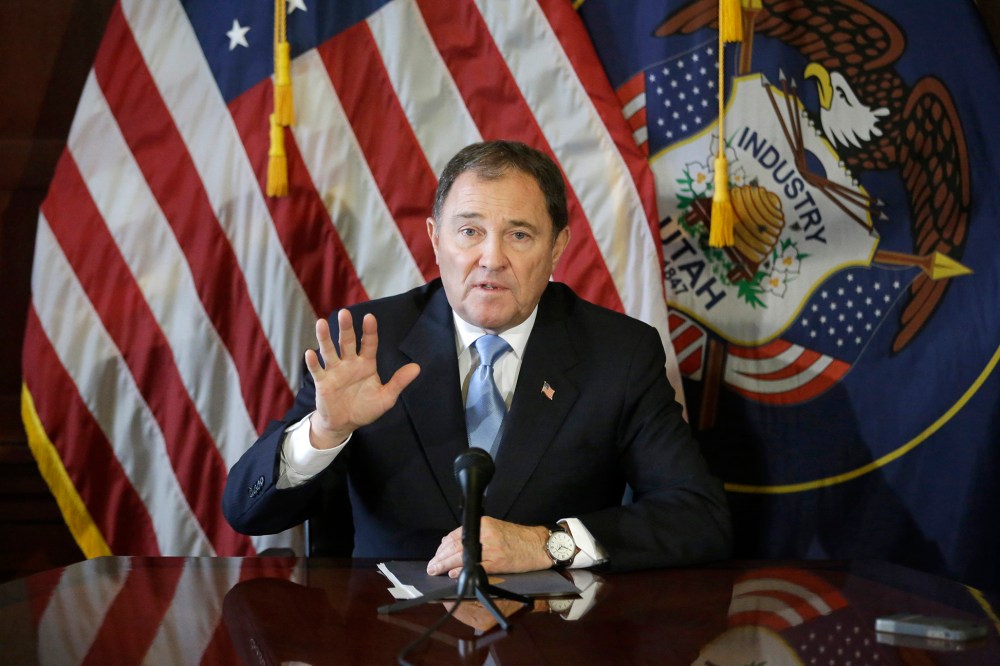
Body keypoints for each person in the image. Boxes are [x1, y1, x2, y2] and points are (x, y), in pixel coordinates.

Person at [223, 140, 732, 575]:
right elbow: (245, 511)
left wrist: (548, 544)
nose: (491, 258)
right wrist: (324, 433)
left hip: (555, 636)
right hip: (388, 634)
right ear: (435, 240)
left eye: (519, 235)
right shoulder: (364, 344)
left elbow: (699, 516)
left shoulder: (618, 353)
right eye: (469, 231)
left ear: (557, 248)